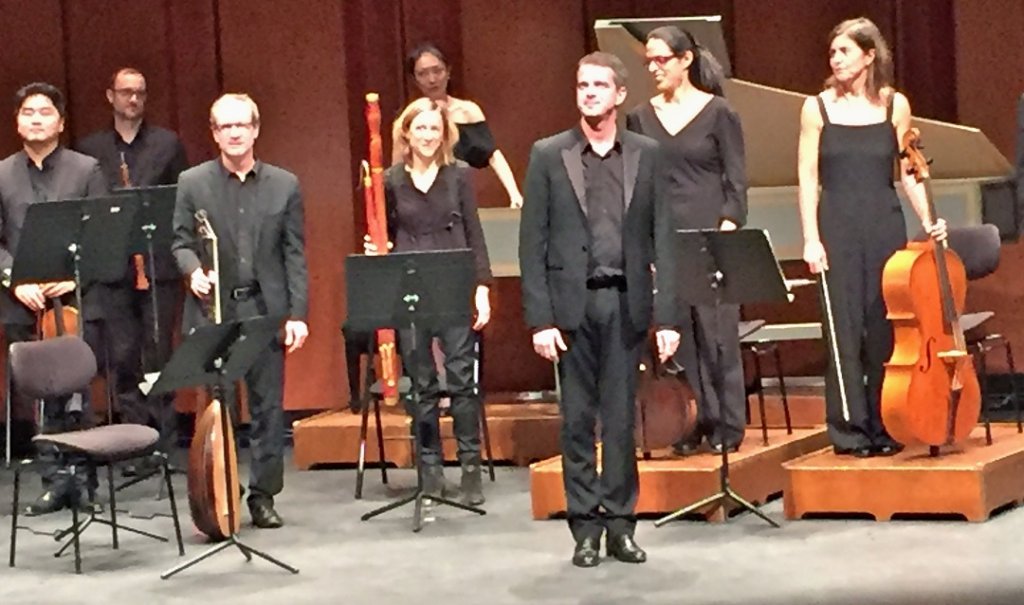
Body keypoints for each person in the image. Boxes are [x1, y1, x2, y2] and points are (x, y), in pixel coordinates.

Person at [519, 52, 680, 568]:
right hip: (571, 307)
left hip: (625, 302)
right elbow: (533, 244)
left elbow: (664, 240)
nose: (588, 92)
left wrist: (668, 316)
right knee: (576, 421)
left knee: (619, 422)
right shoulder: (549, 154)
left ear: (619, 95)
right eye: (582, 84)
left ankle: (621, 525)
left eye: (598, 85)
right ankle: (584, 528)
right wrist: (539, 319)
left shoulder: (647, 153)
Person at [798, 18, 946, 458]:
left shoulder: (894, 105)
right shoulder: (816, 108)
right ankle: (849, 431)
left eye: (844, 51)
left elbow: (909, 170)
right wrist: (810, 238)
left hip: (883, 222)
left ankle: (887, 424)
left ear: (868, 55)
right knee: (842, 330)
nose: (836, 59)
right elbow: (807, 177)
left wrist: (930, 219)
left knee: (885, 327)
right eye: (832, 53)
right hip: (837, 223)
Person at [171, 93, 309, 528]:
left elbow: (295, 255)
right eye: (224, 126)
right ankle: (222, 492)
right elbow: (179, 242)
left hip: (265, 310)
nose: (233, 133)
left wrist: (298, 314)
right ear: (214, 133)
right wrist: (192, 271)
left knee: (269, 410)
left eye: (241, 125)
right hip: (214, 314)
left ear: (255, 129)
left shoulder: (284, 184)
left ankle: (263, 496)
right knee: (220, 407)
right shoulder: (192, 182)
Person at [364, 97, 492, 506]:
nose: (427, 135)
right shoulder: (391, 180)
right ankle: (430, 469)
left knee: (461, 380)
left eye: (434, 129)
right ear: (406, 133)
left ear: (444, 135)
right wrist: (373, 247)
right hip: (409, 283)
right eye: (420, 128)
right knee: (421, 385)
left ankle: (470, 467)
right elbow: (380, 233)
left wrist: (483, 288)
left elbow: (475, 234)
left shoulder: (459, 177)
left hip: (453, 280)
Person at [626, 26, 748, 455]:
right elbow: (637, 187)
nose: (654, 68)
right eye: (649, 62)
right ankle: (692, 421)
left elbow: (736, 184)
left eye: (661, 60)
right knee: (678, 337)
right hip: (665, 239)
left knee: (717, 335)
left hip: (711, 237)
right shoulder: (640, 117)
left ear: (685, 60)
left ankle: (728, 425)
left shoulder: (718, 113)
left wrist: (727, 233)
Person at [0, 82, 109, 515]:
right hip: (22, 299)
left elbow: (101, 232)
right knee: (38, 393)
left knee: (79, 389)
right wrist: (13, 279)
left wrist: (73, 280)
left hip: (75, 297)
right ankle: (52, 480)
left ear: (60, 122)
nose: (36, 119)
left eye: (45, 112)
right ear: (17, 121)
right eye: (28, 112)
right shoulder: (2, 172)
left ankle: (84, 480)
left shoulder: (86, 170)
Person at [76, 67, 190, 473]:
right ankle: (133, 444)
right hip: (114, 268)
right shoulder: (90, 149)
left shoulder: (167, 143)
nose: (133, 99)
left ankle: (164, 443)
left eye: (140, 92)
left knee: (160, 350)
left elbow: (181, 201)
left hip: (159, 264)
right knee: (122, 355)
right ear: (110, 96)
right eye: (125, 92)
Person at [407, 43, 523, 208]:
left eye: (437, 71)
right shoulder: (410, 116)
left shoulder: (468, 111)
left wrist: (514, 193)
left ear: (448, 71)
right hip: (422, 200)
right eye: (422, 74)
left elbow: (492, 154)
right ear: (414, 79)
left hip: (459, 197)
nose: (432, 79)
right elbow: (399, 165)